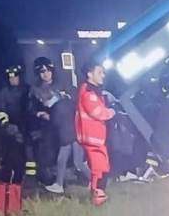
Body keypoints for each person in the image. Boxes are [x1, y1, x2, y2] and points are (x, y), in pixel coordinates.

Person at [31, 57, 90, 195]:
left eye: (47, 70)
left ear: (52, 70)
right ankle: (59, 184)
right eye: (41, 72)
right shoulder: (38, 90)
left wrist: (61, 97)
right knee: (62, 159)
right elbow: (42, 105)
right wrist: (40, 113)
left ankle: (95, 180)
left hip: (73, 126)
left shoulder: (64, 84)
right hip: (61, 128)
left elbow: (76, 99)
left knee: (77, 162)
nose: (45, 74)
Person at [75, 60, 116, 205]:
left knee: (102, 167)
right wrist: (111, 111)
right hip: (92, 138)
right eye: (100, 72)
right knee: (99, 169)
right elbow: (98, 112)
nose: (103, 75)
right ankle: (97, 197)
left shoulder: (91, 91)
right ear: (89, 74)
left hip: (95, 138)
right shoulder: (88, 92)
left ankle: (98, 195)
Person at [0, 64, 29, 187]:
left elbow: (29, 110)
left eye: (15, 77)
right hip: (9, 132)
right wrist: (7, 126)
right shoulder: (4, 93)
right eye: (10, 78)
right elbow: (0, 111)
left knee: (21, 159)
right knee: (8, 158)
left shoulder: (27, 90)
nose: (12, 80)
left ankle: (19, 184)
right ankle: (5, 182)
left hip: (24, 130)